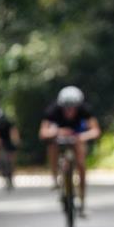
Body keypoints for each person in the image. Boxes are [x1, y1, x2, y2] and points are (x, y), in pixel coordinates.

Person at [38, 86, 101, 216]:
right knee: (52, 146)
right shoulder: (53, 110)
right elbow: (43, 132)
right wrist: (57, 132)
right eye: (66, 107)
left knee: (81, 164)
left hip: (77, 136)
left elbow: (95, 131)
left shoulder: (84, 110)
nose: (69, 111)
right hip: (59, 137)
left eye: (72, 107)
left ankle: (82, 200)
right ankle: (55, 177)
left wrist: (81, 137)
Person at [0, 108, 20, 190]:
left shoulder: (7, 121)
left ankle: (11, 172)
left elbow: (13, 131)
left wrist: (16, 141)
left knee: (11, 156)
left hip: (7, 139)